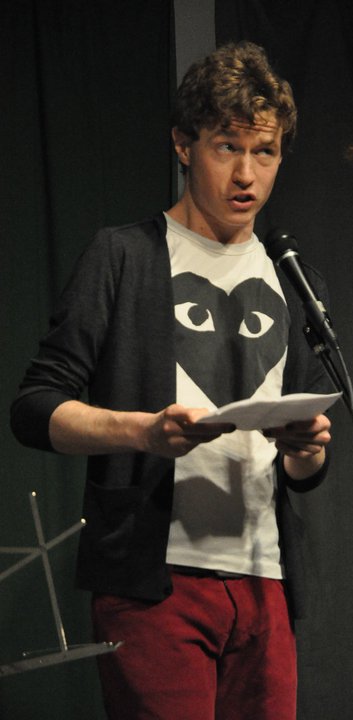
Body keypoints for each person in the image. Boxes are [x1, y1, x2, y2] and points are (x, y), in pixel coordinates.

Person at [11, 41, 333, 720]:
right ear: (184, 145)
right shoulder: (123, 256)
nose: (246, 173)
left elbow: (303, 469)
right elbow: (34, 408)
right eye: (227, 147)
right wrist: (143, 433)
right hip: (154, 582)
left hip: (265, 582)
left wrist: (307, 450)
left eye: (265, 152)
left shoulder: (293, 278)